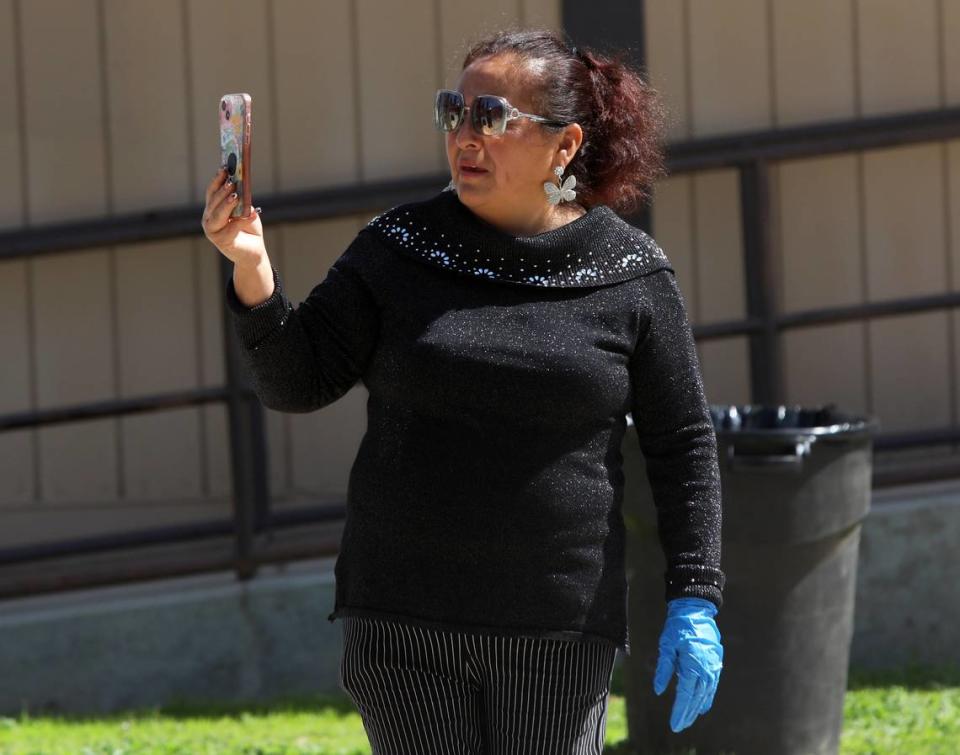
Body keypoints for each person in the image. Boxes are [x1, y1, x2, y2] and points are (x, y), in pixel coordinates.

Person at [202, 26, 724, 755]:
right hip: (401, 620)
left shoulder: (630, 272)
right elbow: (299, 379)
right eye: (456, 111)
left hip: (556, 627)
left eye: (492, 117)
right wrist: (251, 269)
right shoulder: (399, 247)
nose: (465, 136)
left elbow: (681, 441)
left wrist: (695, 593)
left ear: (565, 145)